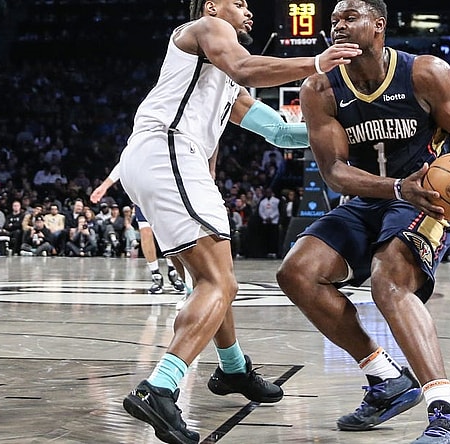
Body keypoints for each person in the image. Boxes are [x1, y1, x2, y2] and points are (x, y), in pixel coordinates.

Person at [117, 2, 362, 443]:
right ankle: (159, 387)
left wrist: (359, 130)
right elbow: (247, 66)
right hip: (167, 151)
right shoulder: (206, 27)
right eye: (240, 2)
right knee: (219, 283)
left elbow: (284, 133)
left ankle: (232, 370)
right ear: (213, 6)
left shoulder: (225, 81)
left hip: (162, 161)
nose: (249, 10)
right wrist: (316, 62)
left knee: (213, 279)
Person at [276, 1, 450, 442]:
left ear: (379, 25)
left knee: (388, 281)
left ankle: (449, 413)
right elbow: (335, 171)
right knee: (297, 273)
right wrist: (396, 188)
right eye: (334, 19)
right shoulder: (320, 88)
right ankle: (386, 378)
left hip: (428, 197)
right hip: (374, 196)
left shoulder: (425, 72)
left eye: (349, 17)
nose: (337, 25)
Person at [90, 163, 186, 293]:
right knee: (145, 232)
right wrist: (104, 186)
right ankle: (156, 275)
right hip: (143, 195)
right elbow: (123, 164)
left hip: (165, 191)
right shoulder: (135, 145)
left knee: (168, 232)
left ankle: (173, 271)